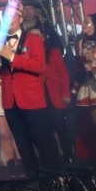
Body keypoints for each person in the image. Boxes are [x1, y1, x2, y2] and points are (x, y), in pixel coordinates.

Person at [0, 2, 62, 178]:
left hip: (32, 100)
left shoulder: (34, 39)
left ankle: (56, 180)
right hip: (10, 101)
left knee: (45, 143)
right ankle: (33, 181)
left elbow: (39, 66)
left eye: (13, 16)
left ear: (21, 19)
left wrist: (12, 57)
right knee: (23, 146)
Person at [73, 14, 96, 160]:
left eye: (87, 22)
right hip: (89, 84)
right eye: (83, 21)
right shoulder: (79, 43)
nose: (83, 24)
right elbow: (78, 66)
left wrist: (95, 60)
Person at [35, 27, 72, 166]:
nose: (35, 38)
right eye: (32, 35)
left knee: (60, 127)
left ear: (44, 37)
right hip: (39, 96)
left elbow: (64, 73)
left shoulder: (53, 52)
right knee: (46, 129)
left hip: (54, 95)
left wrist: (66, 92)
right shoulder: (29, 55)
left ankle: (68, 154)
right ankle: (54, 157)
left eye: (38, 34)